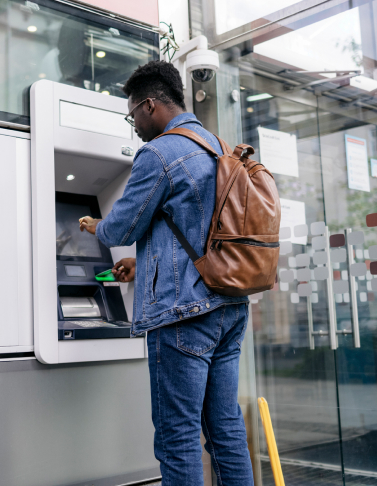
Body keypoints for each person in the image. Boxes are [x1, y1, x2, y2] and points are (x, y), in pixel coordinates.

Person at [79, 60, 254, 485]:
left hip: (184, 317)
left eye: (132, 114)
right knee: (224, 429)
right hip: (229, 306)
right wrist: (144, 264)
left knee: (178, 437)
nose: (133, 124)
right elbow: (200, 231)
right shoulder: (218, 147)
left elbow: (121, 226)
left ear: (150, 105)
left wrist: (93, 225)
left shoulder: (159, 152)